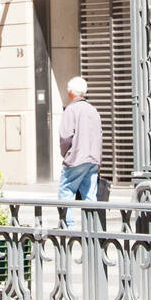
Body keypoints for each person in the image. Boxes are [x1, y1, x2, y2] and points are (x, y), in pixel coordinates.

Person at [58, 76, 103, 228]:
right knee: (90, 194)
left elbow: (65, 137)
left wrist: (66, 155)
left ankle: (68, 227)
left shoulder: (71, 110)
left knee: (66, 190)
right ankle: (91, 228)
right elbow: (99, 135)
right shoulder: (93, 109)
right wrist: (99, 160)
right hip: (92, 159)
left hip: (77, 158)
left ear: (71, 92)